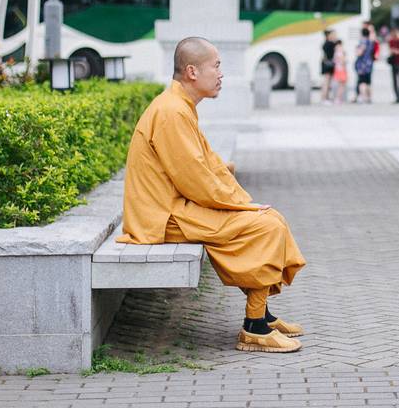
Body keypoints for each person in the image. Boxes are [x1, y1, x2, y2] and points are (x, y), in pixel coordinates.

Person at [119, 37, 306, 353]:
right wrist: (240, 205)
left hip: (174, 206)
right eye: (216, 66)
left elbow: (205, 163)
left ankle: (263, 314)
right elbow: (195, 177)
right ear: (192, 71)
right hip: (162, 216)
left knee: (267, 219)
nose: (222, 74)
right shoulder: (172, 111)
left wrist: (241, 200)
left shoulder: (179, 106)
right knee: (265, 226)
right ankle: (254, 329)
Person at [354, 27, 377, 103]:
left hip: (362, 65)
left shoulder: (363, 41)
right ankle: (369, 98)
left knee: (362, 82)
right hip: (369, 64)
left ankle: (363, 98)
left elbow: (360, 52)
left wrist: (357, 50)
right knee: (368, 82)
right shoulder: (370, 42)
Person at [319, 30, 337, 104]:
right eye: (333, 34)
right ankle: (325, 98)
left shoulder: (325, 43)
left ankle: (325, 97)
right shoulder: (331, 44)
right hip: (329, 64)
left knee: (326, 82)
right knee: (327, 82)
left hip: (325, 64)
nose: (334, 36)